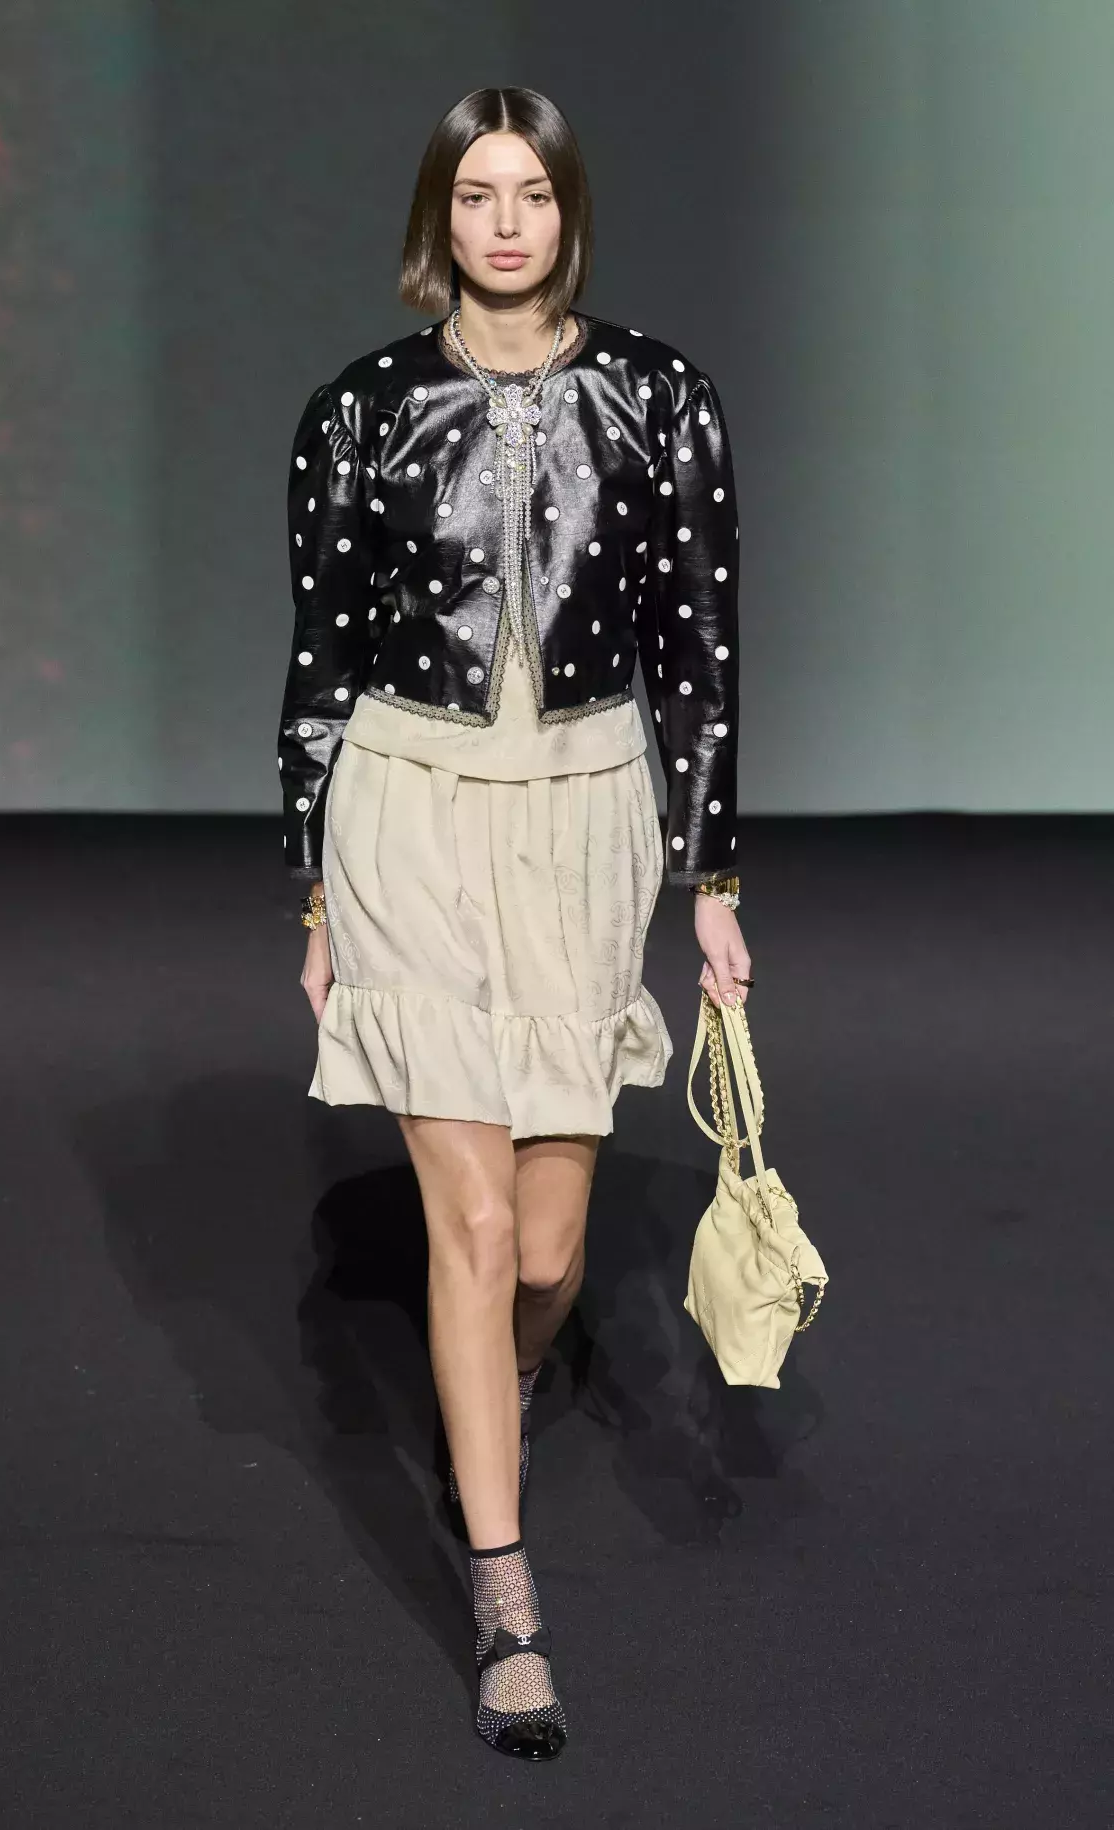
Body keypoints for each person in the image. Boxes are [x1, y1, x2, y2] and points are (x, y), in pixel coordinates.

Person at [276, 86, 751, 1761]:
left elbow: (702, 657)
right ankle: (505, 1594)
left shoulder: (661, 397)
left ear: (567, 212)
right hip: (407, 804)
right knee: (471, 1232)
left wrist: (711, 880)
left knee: (547, 1254)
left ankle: (508, 1377)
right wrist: (316, 884)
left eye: (530, 193)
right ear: (439, 215)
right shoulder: (358, 411)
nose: (502, 223)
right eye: (475, 193)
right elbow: (320, 661)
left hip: (585, 812)